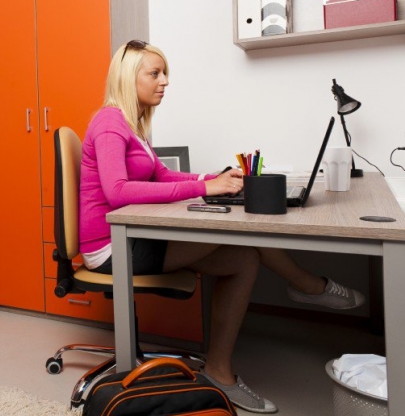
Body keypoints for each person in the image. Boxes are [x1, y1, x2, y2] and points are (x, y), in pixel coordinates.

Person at [79, 40, 364, 414]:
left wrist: (212, 178)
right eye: (155, 74)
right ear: (128, 77)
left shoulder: (134, 124)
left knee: (243, 259)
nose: (165, 81)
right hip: (111, 246)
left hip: (134, 235)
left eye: (165, 73)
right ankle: (309, 286)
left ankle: (219, 369)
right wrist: (206, 188)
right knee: (245, 239)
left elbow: (161, 174)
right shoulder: (110, 123)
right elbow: (117, 191)